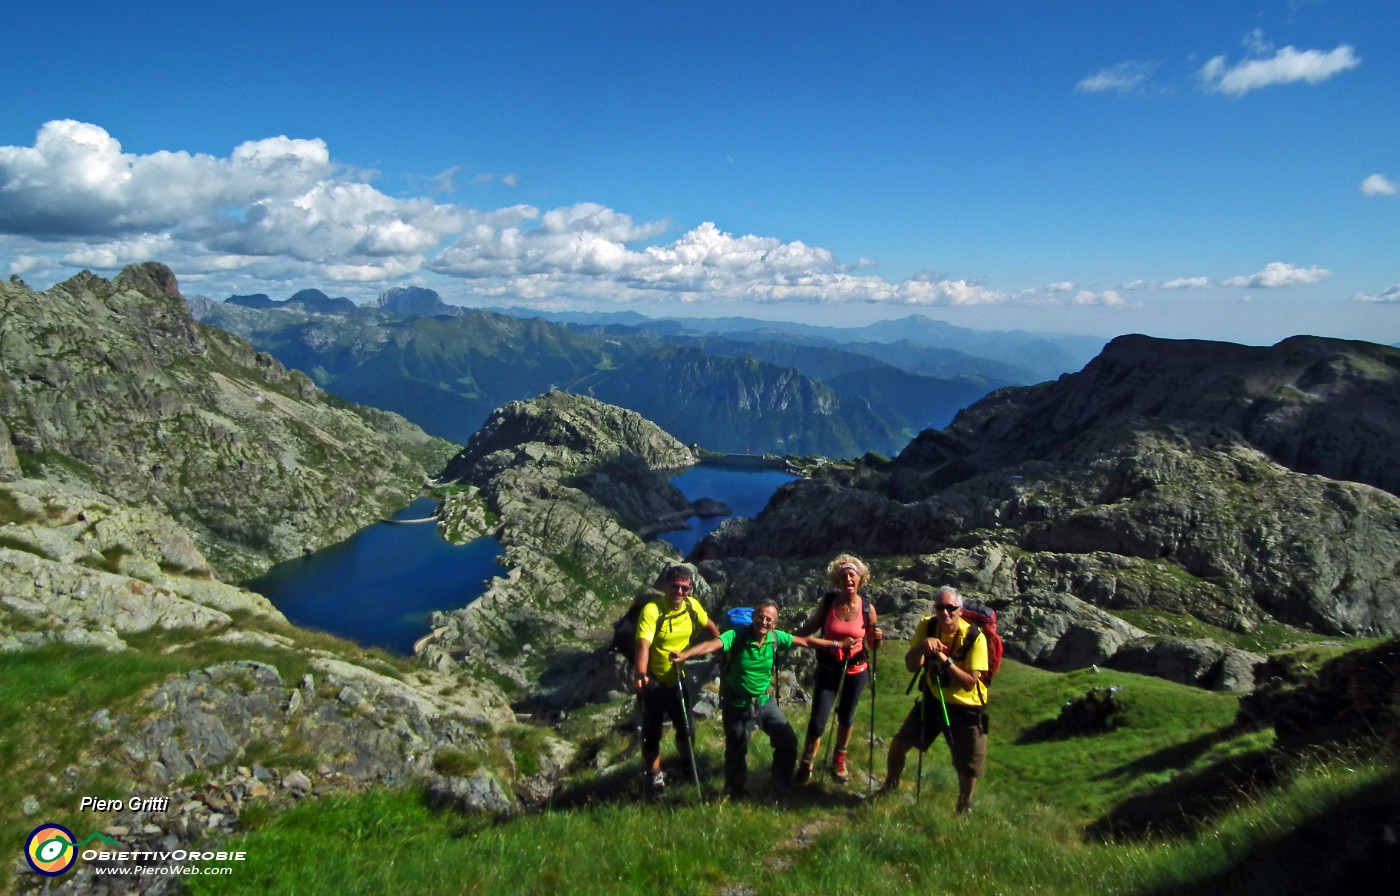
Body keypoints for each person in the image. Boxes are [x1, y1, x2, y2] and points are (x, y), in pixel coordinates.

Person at [671, 599, 857, 798]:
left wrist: (837, 644)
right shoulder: (736, 635)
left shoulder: (776, 638)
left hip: (764, 702)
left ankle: (781, 783)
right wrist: (685, 655)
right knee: (737, 749)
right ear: (753, 617)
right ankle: (735, 791)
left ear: (775, 624)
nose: (764, 622)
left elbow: (806, 641)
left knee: (787, 740)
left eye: (769, 619)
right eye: (760, 617)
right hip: (737, 704)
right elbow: (711, 645)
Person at [882, 585, 990, 812]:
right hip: (933, 699)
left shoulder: (974, 637)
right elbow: (911, 666)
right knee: (900, 743)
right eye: (940, 607)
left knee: (968, 766)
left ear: (960, 610)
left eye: (951, 608)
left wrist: (942, 658)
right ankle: (889, 786)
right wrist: (922, 647)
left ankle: (964, 806)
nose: (945, 613)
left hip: (966, 707)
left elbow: (970, 682)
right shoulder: (928, 625)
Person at [792, 553, 883, 784]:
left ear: (860, 579)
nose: (848, 580)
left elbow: (871, 644)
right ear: (837, 580)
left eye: (852, 575)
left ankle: (839, 759)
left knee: (846, 715)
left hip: (856, 669)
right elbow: (813, 625)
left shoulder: (867, 609)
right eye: (844, 576)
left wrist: (877, 638)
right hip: (828, 667)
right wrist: (787, 639)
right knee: (819, 719)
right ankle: (807, 763)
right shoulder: (829, 601)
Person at [634, 564, 721, 796]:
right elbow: (643, 644)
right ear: (666, 585)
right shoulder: (653, 611)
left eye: (685, 588)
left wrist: (722, 648)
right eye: (676, 586)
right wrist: (641, 674)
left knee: (687, 728)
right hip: (653, 681)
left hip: (679, 678)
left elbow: (711, 626)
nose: (680, 592)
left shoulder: (692, 607)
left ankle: (686, 765)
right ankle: (653, 776)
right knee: (652, 733)